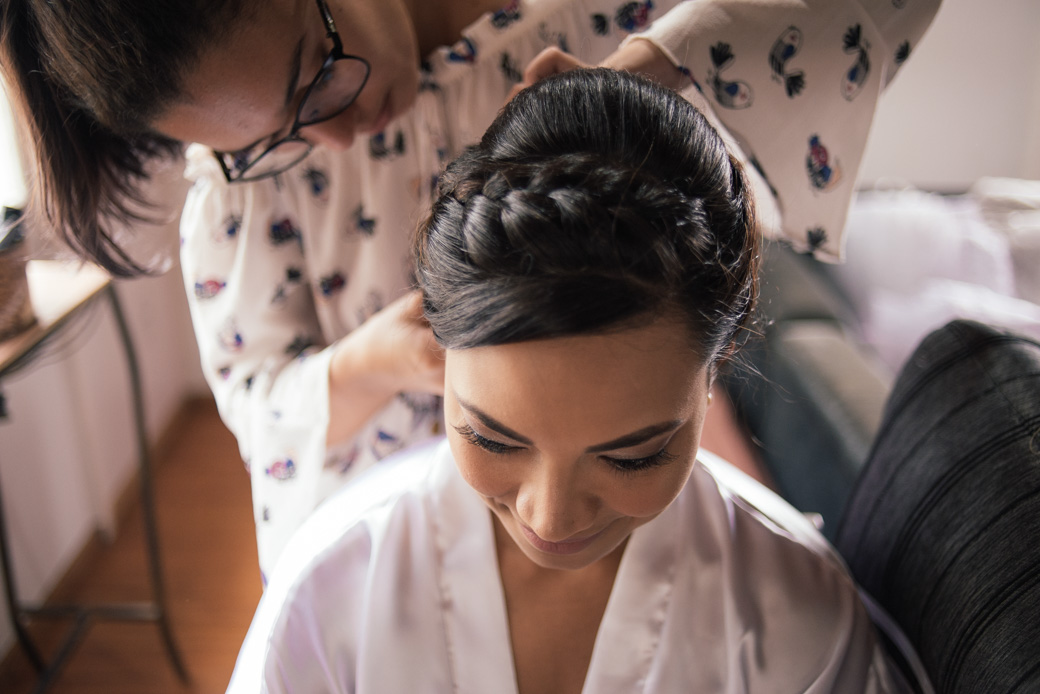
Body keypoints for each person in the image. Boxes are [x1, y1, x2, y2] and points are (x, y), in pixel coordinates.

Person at [0, 0, 941, 579]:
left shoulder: (584, 22)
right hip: (374, 567)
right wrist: (371, 360)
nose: (328, 136)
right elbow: (258, 410)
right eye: (263, 135)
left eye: (314, 71)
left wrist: (660, 63)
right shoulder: (241, 191)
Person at [226, 68, 916, 693]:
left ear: (719, 365)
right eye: (492, 439)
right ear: (439, 352)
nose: (550, 518)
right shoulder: (327, 593)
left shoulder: (800, 620)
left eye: (631, 454)